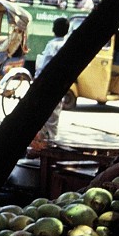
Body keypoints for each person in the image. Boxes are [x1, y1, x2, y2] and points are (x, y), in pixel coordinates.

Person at [30, 17, 69, 149]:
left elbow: (44, 66)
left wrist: (36, 80)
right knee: (54, 115)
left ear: (53, 29)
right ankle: (51, 140)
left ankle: (42, 144)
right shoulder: (67, 45)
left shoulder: (52, 45)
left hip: (47, 84)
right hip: (60, 84)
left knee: (42, 114)